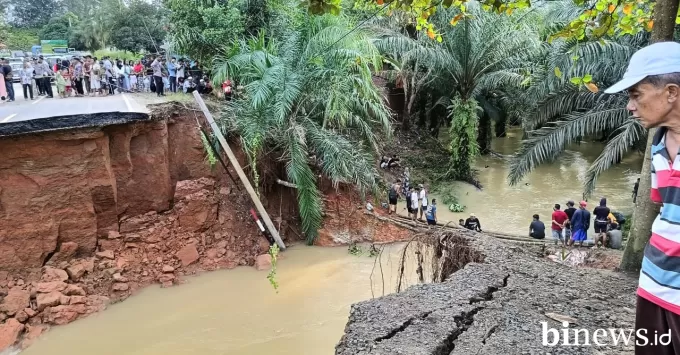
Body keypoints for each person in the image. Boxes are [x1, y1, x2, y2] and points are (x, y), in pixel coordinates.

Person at [606, 42, 680, 352]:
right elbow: (666, 209)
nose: (630, 106)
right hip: (653, 285)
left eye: (637, 95)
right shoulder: (659, 147)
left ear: (671, 93)